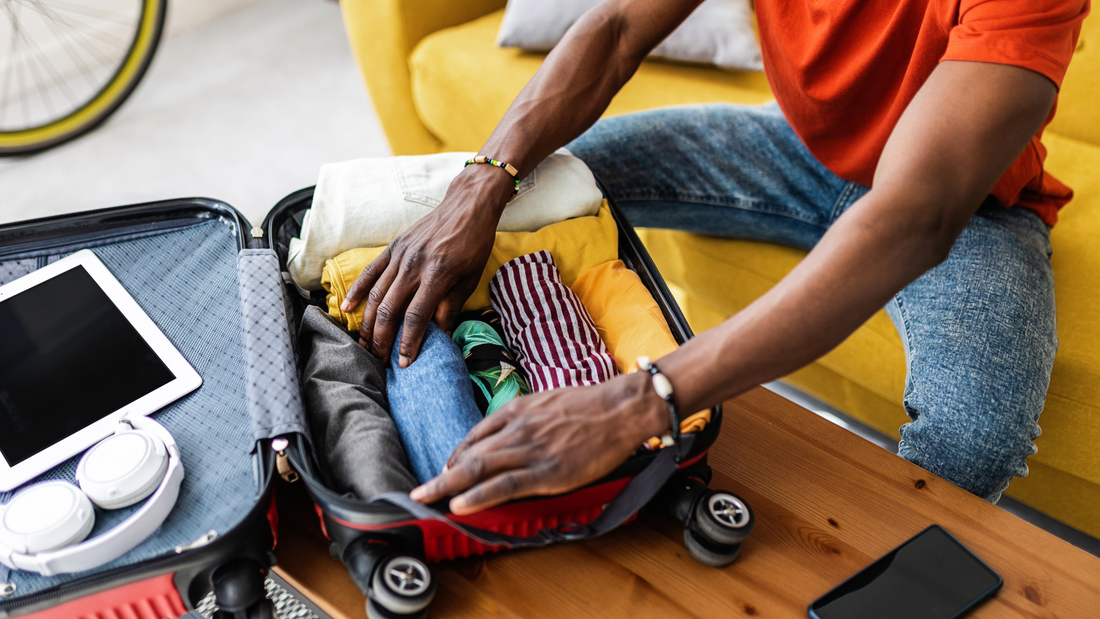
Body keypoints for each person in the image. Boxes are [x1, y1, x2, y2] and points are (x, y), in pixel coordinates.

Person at [340, 0, 1090, 515]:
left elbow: (914, 215)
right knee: (541, 187)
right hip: (796, 145)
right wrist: (484, 181)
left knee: (977, 434)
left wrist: (640, 399)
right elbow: (618, 26)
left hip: (965, 208)